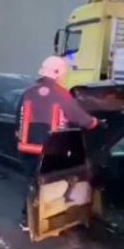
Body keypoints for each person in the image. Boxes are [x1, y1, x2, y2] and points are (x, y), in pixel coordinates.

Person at [16, 56, 98, 231]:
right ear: (58, 73)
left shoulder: (28, 92)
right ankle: (47, 219)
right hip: (50, 149)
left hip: (26, 147)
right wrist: (93, 123)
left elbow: (18, 117)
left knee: (31, 181)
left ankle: (26, 219)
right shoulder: (61, 94)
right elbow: (78, 117)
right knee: (53, 182)